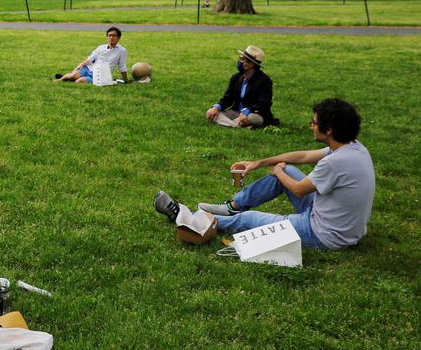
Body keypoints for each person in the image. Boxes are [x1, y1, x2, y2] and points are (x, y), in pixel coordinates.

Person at [154, 98, 374, 250]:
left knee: (249, 220)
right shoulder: (352, 147)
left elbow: (298, 190)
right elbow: (304, 156)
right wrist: (258, 164)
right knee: (286, 168)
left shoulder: (336, 162)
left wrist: (278, 172)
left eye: (314, 122)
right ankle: (231, 207)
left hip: (323, 234)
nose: (310, 126)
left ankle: (187, 219)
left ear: (329, 130)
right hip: (329, 217)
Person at [205, 45, 278, 128]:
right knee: (214, 114)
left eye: (242, 59)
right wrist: (217, 107)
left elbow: (264, 103)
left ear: (250, 64)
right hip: (236, 113)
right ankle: (238, 125)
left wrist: (248, 111)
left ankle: (230, 124)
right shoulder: (236, 77)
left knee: (252, 118)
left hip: (253, 114)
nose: (240, 61)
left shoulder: (264, 81)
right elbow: (228, 99)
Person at [55, 26, 128, 83]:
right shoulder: (101, 47)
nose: (111, 37)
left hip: (100, 75)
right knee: (73, 75)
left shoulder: (122, 51)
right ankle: (59, 80)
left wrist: (125, 80)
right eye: (109, 35)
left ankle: (71, 79)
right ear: (107, 37)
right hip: (89, 68)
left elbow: (122, 67)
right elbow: (90, 59)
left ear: (119, 38)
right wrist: (81, 64)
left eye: (114, 36)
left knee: (80, 81)